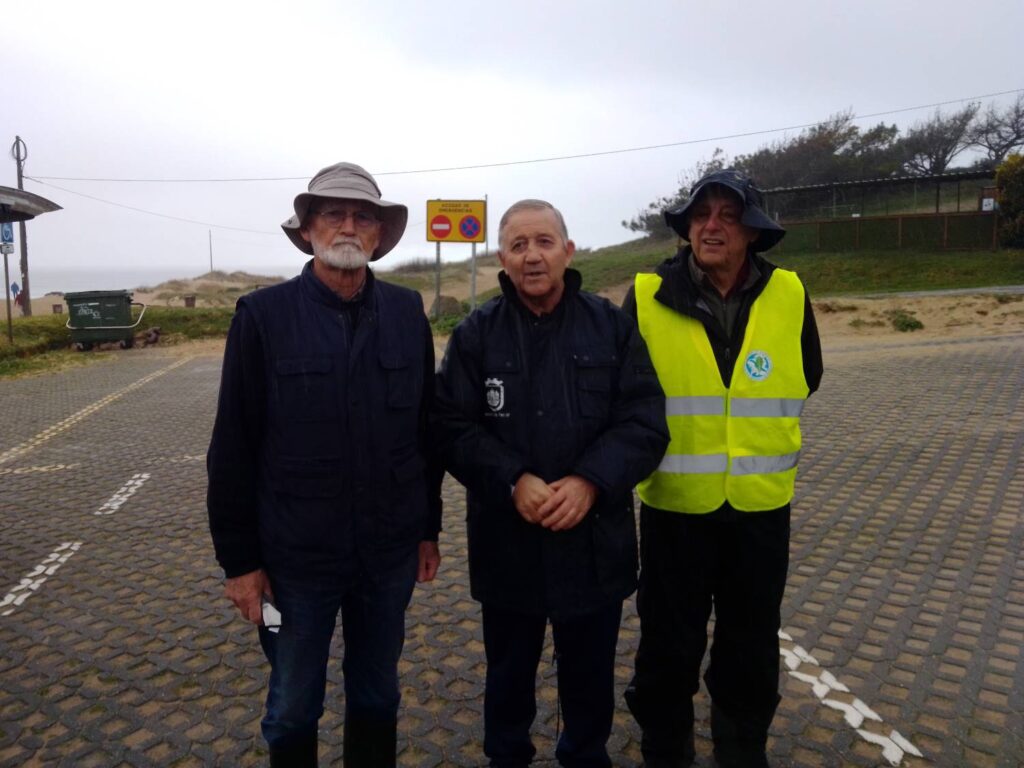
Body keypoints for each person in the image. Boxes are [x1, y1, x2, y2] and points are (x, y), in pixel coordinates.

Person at [206, 162, 442, 767]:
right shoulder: (261, 317)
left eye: (363, 215)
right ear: (307, 229)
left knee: (377, 694)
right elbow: (232, 448)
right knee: (291, 707)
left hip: (387, 556)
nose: (348, 225)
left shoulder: (406, 311)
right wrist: (241, 563)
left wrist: (427, 528)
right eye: (333, 213)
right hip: (293, 564)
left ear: (378, 234)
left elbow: (425, 432)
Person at [432, 199, 669, 767]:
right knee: (508, 674)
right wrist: (512, 480)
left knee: (589, 677)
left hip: (594, 547)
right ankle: (506, 756)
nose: (532, 256)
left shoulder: (612, 326)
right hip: (509, 545)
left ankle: (585, 756)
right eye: (518, 245)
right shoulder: (474, 334)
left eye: (543, 242)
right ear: (502, 259)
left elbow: (645, 420)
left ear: (568, 250)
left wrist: (590, 482)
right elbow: (448, 425)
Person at [622, 169, 823, 768]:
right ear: (686, 228)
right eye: (700, 215)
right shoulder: (647, 295)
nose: (711, 226)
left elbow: (807, 374)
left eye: (727, 216)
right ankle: (666, 750)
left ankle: (741, 751)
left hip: (761, 508)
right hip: (675, 507)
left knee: (751, 645)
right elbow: (625, 393)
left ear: (753, 233)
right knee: (667, 644)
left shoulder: (790, 293)